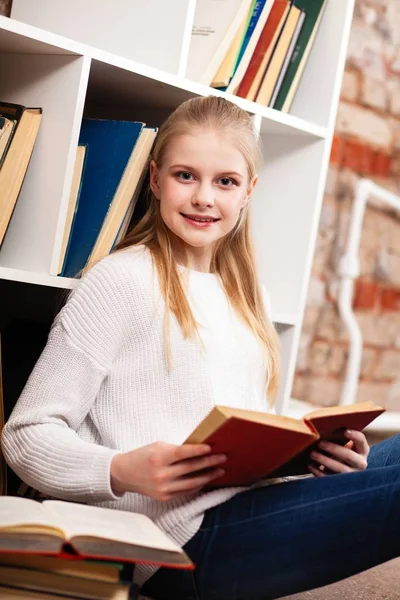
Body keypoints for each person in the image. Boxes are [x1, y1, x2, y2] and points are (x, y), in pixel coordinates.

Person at [2, 96, 400, 600]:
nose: (203, 198)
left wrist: (312, 458)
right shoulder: (120, 281)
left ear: (248, 192)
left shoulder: (247, 295)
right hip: (181, 541)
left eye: (225, 182)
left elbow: (246, 442)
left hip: (250, 503)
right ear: (154, 179)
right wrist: (120, 470)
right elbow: (25, 434)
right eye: (185, 176)